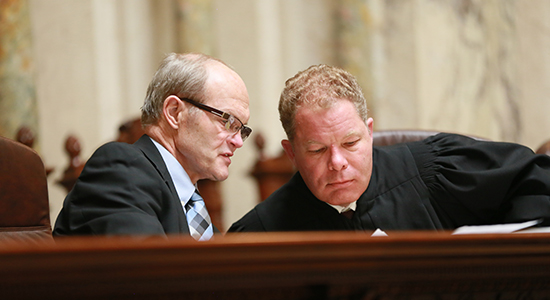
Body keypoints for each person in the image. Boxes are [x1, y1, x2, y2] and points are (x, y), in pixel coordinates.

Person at [228, 64, 550, 233]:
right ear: (291, 153)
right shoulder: (261, 232)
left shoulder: (433, 171)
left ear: (369, 132)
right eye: (317, 150)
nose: (337, 162)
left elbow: (534, 180)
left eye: (350, 142)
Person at [54, 53, 251, 240]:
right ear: (174, 113)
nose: (238, 142)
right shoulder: (120, 171)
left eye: (241, 129)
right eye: (228, 122)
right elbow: (151, 271)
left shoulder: (190, 202)